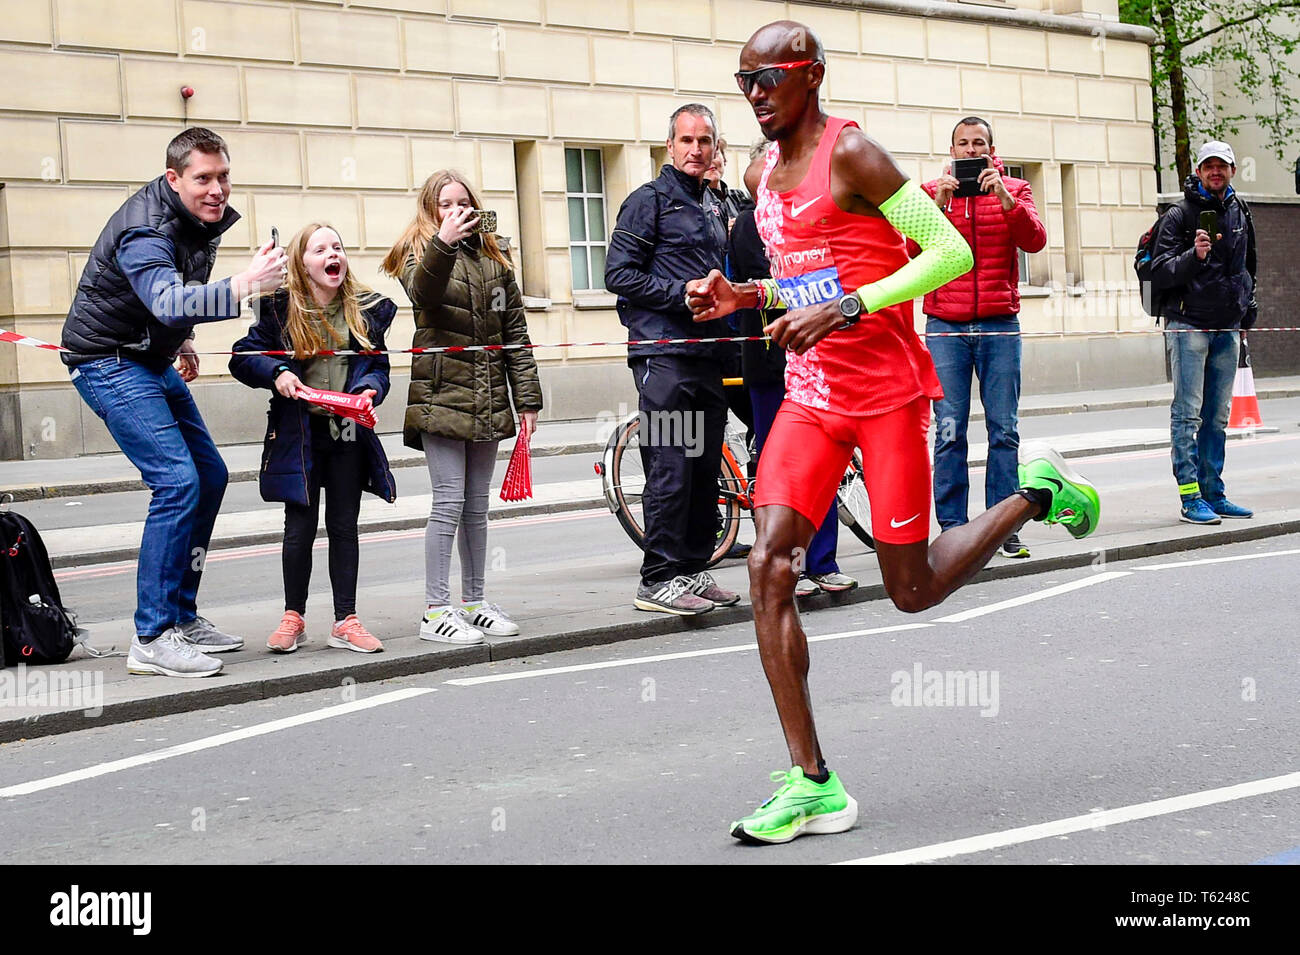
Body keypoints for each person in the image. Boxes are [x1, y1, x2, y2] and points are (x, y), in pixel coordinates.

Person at [687, 21, 1101, 845]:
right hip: (810, 396)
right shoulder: (760, 170)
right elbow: (804, 275)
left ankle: (1036, 490)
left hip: (884, 394)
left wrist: (846, 308)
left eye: (771, 79)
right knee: (769, 564)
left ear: (813, 78)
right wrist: (744, 296)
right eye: (745, 82)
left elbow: (944, 252)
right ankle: (813, 783)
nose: (756, 96)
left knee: (910, 587)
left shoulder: (855, 155)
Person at [60, 127, 286, 678]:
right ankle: (152, 636)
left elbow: (165, 300)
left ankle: (181, 617)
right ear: (173, 179)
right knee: (177, 481)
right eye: (203, 179)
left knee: (208, 475)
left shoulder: (191, 218)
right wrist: (244, 284)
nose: (217, 189)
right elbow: (163, 295)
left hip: (147, 356)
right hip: (108, 361)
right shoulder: (146, 228)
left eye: (224, 176)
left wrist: (179, 337)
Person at [382, 170, 542, 645]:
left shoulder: (494, 259)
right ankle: (436, 610)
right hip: (441, 396)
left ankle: (474, 601)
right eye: (446, 204)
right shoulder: (420, 251)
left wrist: (527, 398)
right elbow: (423, 295)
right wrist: (443, 244)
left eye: (463, 203)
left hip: (488, 395)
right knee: (448, 502)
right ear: (431, 211)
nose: (457, 211)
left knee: (476, 507)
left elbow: (515, 332)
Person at [230, 223, 397, 654]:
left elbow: (379, 367)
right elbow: (242, 357)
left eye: (337, 247)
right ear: (302, 263)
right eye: (320, 249)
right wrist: (277, 372)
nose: (332, 254)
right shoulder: (280, 310)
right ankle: (293, 616)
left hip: (346, 433)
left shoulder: (365, 310)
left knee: (344, 526)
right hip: (299, 435)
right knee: (299, 528)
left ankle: (346, 620)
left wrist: (370, 390)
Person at [605, 103, 740, 615]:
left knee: (706, 470)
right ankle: (656, 578)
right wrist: (677, 294)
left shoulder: (712, 204)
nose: (696, 149)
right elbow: (618, 274)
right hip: (663, 356)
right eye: (687, 140)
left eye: (705, 140)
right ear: (670, 146)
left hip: (708, 353)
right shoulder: (648, 201)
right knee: (670, 467)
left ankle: (691, 569)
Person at [730, 139, 857, 598]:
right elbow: (772, 278)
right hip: (769, 364)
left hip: (817, 361)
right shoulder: (748, 223)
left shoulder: (812, 217)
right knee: (780, 471)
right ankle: (790, 566)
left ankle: (822, 561)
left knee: (822, 470)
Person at [915, 116, 1047, 558]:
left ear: (992, 149)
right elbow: (908, 253)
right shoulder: (931, 192)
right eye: (963, 144)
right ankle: (954, 528)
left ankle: (1002, 527)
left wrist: (1006, 198)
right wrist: (935, 204)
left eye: (979, 144)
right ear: (951, 150)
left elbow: (1035, 242)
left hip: (998, 324)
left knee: (1004, 429)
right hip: (945, 326)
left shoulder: (1015, 189)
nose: (971, 151)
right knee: (949, 431)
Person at [1149, 140, 1257, 525]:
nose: (1215, 172)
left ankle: (1215, 492)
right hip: (1188, 324)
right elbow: (1159, 270)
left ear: (1231, 170)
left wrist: (1248, 310)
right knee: (1187, 414)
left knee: (1216, 417)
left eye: (1222, 166)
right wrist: (1193, 257)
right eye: (1208, 166)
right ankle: (1190, 496)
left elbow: (1248, 265)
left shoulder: (1240, 210)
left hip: (1227, 326)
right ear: (1198, 171)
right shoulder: (1179, 214)